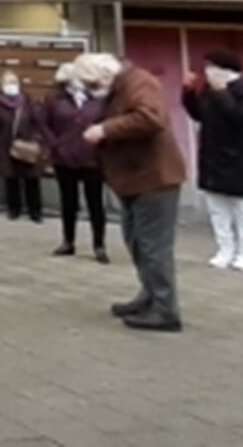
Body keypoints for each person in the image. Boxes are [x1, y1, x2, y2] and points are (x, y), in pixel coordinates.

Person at [78, 54, 187, 333]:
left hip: (154, 178)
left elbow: (150, 118)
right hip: (135, 179)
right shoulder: (121, 87)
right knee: (137, 242)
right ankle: (150, 295)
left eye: (90, 84)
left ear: (103, 76)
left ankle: (165, 309)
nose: (90, 91)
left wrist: (105, 129)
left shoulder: (139, 83)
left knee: (153, 247)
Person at [184, 51, 243, 273]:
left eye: (211, 67)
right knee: (218, 209)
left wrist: (223, 95)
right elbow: (199, 114)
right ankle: (224, 250)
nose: (207, 72)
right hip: (213, 159)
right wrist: (189, 94)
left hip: (241, 162)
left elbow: (242, 118)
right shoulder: (210, 93)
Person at [40, 63, 109, 262]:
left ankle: (99, 245)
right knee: (68, 202)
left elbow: (106, 122)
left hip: (92, 158)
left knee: (95, 203)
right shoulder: (55, 98)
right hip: (64, 158)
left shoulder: (98, 98)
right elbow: (43, 123)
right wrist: (54, 144)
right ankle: (68, 241)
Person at [0, 71, 44, 224]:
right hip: (7, 147)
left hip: (27, 146)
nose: (11, 85)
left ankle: (35, 212)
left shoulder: (27, 100)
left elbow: (37, 121)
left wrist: (36, 139)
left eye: (13, 81)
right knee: (12, 180)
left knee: (32, 179)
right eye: (7, 82)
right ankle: (14, 209)